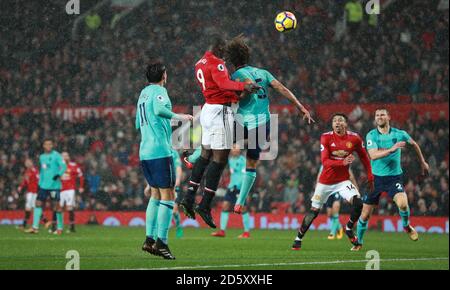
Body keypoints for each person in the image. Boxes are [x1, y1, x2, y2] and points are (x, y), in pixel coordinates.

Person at [225, 35, 314, 214]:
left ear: (232, 61)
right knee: (251, 163)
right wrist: (300, 107)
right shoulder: (264, 73)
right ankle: (240, 203)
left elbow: (236, 97)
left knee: (218, 144)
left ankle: (195, 159)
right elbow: (282, 88)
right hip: (261, 124)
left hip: (242, 122)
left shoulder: (235, 75)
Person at [179, 36, 260, 229]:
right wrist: (244, 86)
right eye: (224, 50)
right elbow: (223, 84)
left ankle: (189, 196)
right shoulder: (217, 64)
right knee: (219, 160)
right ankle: (205, 204)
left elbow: (216, 86)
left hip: (208, 109)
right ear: (218, 47)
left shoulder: (200, 62)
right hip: (220, 112)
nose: (226, 54)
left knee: (206, 156)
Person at [291, 113, 374, 250]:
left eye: (340, 120)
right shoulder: (326, 137)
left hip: (342, 181)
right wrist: (342, 162)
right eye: (335, 120)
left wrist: (370, 176)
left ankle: (348, 228)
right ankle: (298, 238)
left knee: (358, 203)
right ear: (332, 124)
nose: (337, 122)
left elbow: (365, 158)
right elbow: (325, 161)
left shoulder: (355, 138)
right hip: (325, 182)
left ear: (346, 124)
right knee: (314, 212)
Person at [138, 62, 193, 260]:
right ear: (163, 76)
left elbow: (140, 123)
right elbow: (160, 110)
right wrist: (182, 117)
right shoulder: (160, 91)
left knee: (155, 195)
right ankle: (162, 242)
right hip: (160, 150)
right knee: (168, 196)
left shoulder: (143, 95)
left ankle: (149, 239)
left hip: (145, 151)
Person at [355, 108, 430, 251]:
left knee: (402, 204)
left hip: (393, 177)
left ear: (388, 117)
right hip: (375, 179)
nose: (379, 117)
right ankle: (359, 242)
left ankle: (407, 226)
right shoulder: (371, 135)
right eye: (377, 115)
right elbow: (373, 155)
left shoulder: (399, 134)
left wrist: (422, 162)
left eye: (382, 114)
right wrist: (392, 149)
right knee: (364, 215)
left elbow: (414, 144)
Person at [25, 139, 67, 234]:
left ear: (52, 145)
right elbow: (42, 171)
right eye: (46, 144)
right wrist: (39, 184)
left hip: (54, 186)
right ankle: (35, 228)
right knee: (38, 203)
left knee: (56, 207)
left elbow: (64, 166)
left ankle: (59, 227)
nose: (48, 146)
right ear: (43, 146)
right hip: (43, 186)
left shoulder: (56, 155)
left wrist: (58, 174)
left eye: (50, 144)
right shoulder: (42, 157)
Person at [211, 145, 251, 238]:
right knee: (225, 206)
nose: (234, 149)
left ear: (239, 150)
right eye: (233, 147)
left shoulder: (243, 161)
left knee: (243, 208)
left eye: (236, 147)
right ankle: (222, 231)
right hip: (231, 187)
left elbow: (245, 175)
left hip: (240, 188)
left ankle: (246, 232)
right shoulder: (230, 159)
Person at [59, 152, 84, 233]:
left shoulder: (73, 165)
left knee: (69, 207)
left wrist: (81, 186)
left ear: (68, 157)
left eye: (66, 155)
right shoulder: (58, 166)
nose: (65, 157)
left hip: (70, 189)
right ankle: (60, 226)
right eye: (63, 156)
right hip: (60, 189)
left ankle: (72, 227)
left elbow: (81, 176)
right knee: (60, 208)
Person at [17, 159, 41, 230]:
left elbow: (39, 180)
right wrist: (20, 187)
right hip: (30, 192)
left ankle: (37, 223)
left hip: (35, 192)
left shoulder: (35, 170)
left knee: (33, 208)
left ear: (32, 163)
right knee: (28, 208)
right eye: (26, 163)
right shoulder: (27, 172)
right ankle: (25, 224)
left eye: (28, 162)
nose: (27, 164)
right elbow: (25, 181)